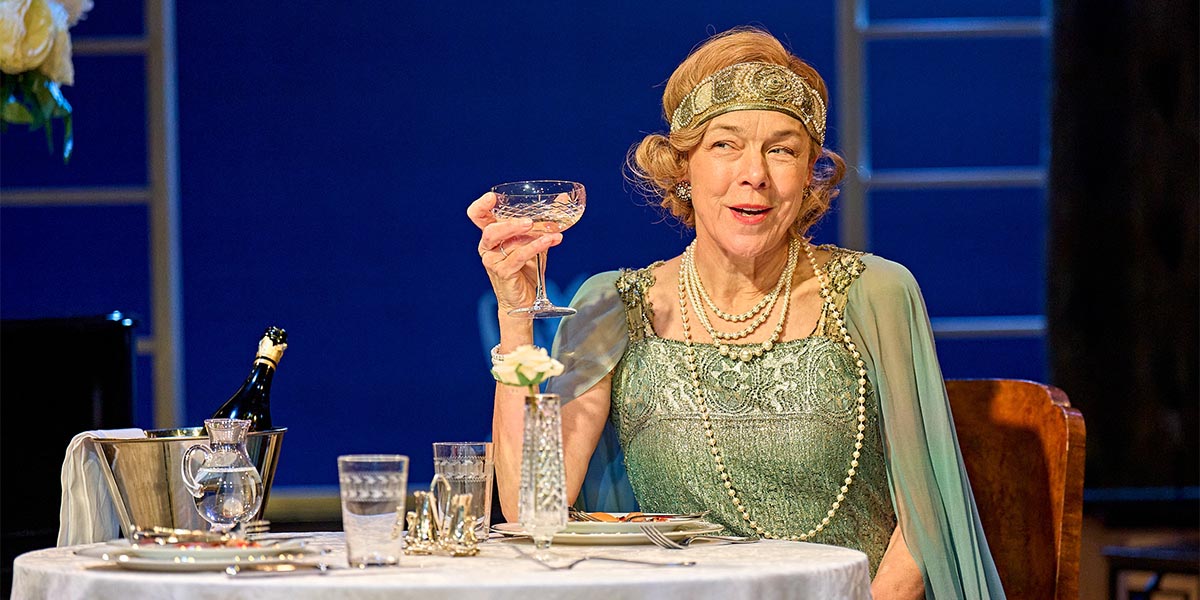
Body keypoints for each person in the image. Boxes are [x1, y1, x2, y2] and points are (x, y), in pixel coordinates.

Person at [468, 26, 1005, 599]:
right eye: (725, 144)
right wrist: (517, 316)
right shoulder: (612, 305)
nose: (756, 173)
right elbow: (532, 506)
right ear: (683, 168)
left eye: (783, 149)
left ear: (809, 175)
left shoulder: (873, 292)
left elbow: (922, 531)